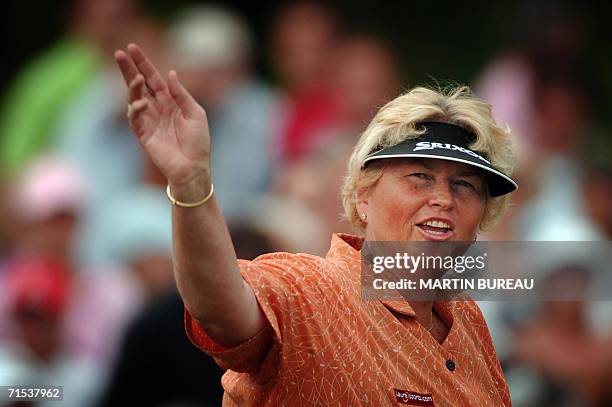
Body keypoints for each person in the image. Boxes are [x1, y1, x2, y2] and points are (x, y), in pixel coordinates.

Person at [114, 43, 517, 406]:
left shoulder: (469, 324)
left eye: (464, 185)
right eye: (420, 177)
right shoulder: (310, 288)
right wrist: (191, 182)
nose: (444, 199)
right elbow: (219, 309)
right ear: (363, 195)